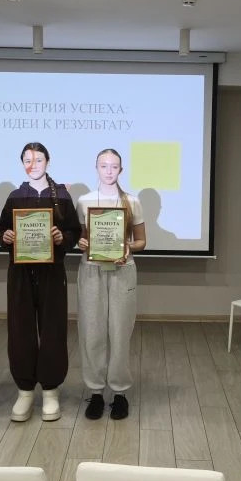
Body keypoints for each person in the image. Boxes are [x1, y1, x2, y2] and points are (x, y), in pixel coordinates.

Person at [0, 142, 81, 422]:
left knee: (53, 328)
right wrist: (6, 237)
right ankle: (24, 391)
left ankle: (50, 391)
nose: (33, 165)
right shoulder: (14, 196)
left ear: (48, 161)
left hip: (52, 272)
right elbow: (3, 231)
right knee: (19, 329)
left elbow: (74, 232)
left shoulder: (62, 197)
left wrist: (62, 238)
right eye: (27, 160)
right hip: (20, 273)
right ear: (22, 163)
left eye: (38, 159)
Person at [75, 149, 147, 421]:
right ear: (96, 168)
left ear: (121, 170)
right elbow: (81, 238)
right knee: (91, 332)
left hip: (122, 271)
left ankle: (119, 393)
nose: (108, 171)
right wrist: (81, 242)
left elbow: (141, 241)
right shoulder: (84, 201)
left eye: (114, 166)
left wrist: (127, 247)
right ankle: (95, 392)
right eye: (104, 166)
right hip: (91, 270)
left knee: (120, 332)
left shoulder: (132, 202)